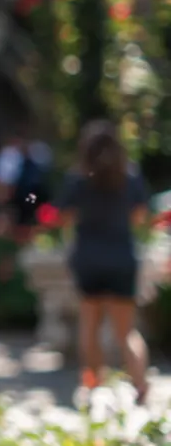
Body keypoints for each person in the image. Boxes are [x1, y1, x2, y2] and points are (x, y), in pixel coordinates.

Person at [56, 120, 151, 403]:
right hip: (121, 257)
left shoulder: (77, 179)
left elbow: (65, 217)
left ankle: (93, 385)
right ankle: (141, 385)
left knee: (90, 325)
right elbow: (139, 217)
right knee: (126, 331)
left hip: (88, 258)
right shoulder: (130, 176)